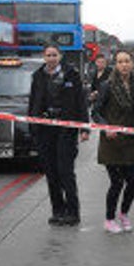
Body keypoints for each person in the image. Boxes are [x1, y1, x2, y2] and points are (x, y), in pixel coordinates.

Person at [28, 44, 89, 226]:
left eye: (55, 55)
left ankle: (73, 212)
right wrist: (33, 126)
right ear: (44, 57)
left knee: (65, 172)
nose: (52, 58)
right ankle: (58, 211)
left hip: (66, 130)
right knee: (51, 173)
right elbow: (33, 103)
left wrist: (84, 128)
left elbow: (81, 103)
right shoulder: (37, 76)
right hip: (45, 130)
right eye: (48, 55)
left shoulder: (72, 75)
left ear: (60, 56)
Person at [91, 49, 134, 234]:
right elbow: (96, 112)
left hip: (131, 140)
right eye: (120, 61)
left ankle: (124, 214)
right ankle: (109, 219)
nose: (124, 64)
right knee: (116, 183)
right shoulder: (107, 86)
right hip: (112, 141)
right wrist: (106, 127)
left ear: (132, 64)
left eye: (127, 61)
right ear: (115, 65)